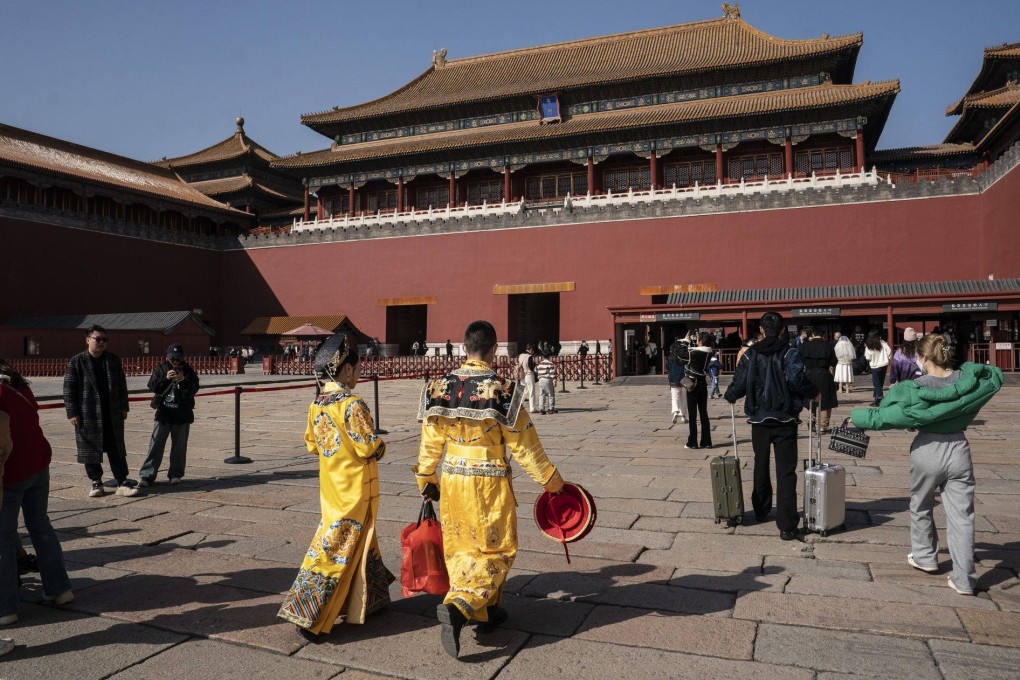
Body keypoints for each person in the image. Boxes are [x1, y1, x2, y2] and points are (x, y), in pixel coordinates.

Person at [415, 320, 564, 659]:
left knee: (461, 545)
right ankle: (459, 605)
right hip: (489, 478)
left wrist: (426, 479)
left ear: (465, 347)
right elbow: (525, 445)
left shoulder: (438, 387)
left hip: (452, 477)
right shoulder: (503, 389)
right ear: (493, 349)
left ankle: (487, 612)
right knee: (496, 548)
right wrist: (552, 482)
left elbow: (429, 442)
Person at [851, 334, 1003, 595]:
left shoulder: (915, 388)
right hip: (959, 448)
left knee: (920, 504)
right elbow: (993, 373)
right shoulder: (970, 382)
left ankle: (925, 557)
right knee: (962, 517)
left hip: (927, 449)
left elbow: (887, 415)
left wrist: (856, 417)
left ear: (921, 358)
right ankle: (965, 578)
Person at [278, 333, 393, 638]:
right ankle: (309, 614)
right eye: (356, 369)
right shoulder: (352, 405)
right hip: (356, 488)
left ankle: (371, 600)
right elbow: (369, 447)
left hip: (331, 487)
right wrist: (381, 447)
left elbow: (312, 445)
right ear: (344, 370)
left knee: (355, 542)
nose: (358, 374)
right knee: (337, 548)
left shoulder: (317, 404)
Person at [725, 312, 816, 540]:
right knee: (786, 472)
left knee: (760, 464)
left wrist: (731, 395)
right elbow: (796, 380)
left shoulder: (750, 354)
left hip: (759, 418)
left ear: (762, 330)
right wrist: (812, 392)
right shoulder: (790, 352)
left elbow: (740, 382)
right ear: (783, 330)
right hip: (785, 418)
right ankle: (786, 524)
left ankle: (761, 509)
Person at [0, 360, 73, 631]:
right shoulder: (19, 385)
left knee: (3, 537)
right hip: (38, 464)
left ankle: (5, 607)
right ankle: (59, 589)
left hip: (10, 472)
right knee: (41, 526)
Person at [63, 325, 138, 498]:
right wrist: (72, 412)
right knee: (89, 447)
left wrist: (124, 407)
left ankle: (122, 481)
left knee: (116, 448)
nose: (102, 343)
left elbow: (122, 385)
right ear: (88, 339)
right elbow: (69, 389)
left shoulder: (113, 360)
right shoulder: (77, 361)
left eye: (105, 340)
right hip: (87, 412)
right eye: (98, 339)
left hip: (111, 412)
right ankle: (96, 481)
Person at [138, 344, 199, 487]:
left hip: (182, 414)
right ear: (167, 357)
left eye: (178, 358)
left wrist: (183, 380)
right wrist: (165, 378)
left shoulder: (188, 370)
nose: (175, 361)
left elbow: (193, 390)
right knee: (155, 445)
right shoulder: (160, 368)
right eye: (172, 358)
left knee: (179, 447)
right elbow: (152, 387)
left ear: (182, 358)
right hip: (163, 414)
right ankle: (147, 475)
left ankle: (176, 474)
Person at [677, 332, 714, 449]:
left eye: (698, 339)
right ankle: (706, 441)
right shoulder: (708, 352)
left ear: (701, 341)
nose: (697, 341)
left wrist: (685, 341)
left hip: (693, 384)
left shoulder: (696, 352)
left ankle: (692, 442)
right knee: (704, 413)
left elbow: (681, 355)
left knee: (692, 415)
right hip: (703, 383)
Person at [801, 329, 838, 433]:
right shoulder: (828, 345)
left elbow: (801, 360)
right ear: (824, 335)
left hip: (809, 374)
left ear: (813, 334)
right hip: (824, 374)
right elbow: (834, 362)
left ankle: (811, 420)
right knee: (825, 400)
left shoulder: (806, 345)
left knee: (811, 398)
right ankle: (823, 426)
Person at [864, 330, 893, 406]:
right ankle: (876, 399)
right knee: (880, 383)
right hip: (884, 364)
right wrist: (889, 358)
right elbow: (889, 352)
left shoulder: (869, 345)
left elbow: (868, 357)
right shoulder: (883, 343)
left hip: (875, 366)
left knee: (876, 384)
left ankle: (880, 399)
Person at [666, 337, 689, 425]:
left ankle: (675, 412)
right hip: (684, 380)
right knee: (684, 399)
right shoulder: (684, 358)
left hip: (673, 380)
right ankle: (683, 417)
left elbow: (667, 367)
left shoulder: (670, 358)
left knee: (675, 398)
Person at [517, 344, 538, 413]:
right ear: (531, 349)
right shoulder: (530, 357)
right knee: (531, 391)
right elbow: (531, 368)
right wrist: (534, 364)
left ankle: (519, 406)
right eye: (533, 350)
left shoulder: (520, 355)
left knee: (523, 392)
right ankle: (532, 408)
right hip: (529, 375)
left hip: (522, 375)